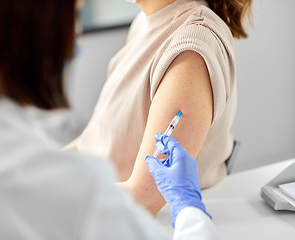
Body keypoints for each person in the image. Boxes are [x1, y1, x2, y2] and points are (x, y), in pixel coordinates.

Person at [0, 0, 219, 239]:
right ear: (37, 32)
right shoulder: (77, 190)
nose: (76, 37)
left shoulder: (189, 42)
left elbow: (143, 196)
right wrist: (189, 209)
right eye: (74, 16)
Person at [67, 0, 252, 215]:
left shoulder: (192, 48)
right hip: (95, 193)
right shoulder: (146, 20)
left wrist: (46, 193)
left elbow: (142, 198)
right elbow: (94, 140)